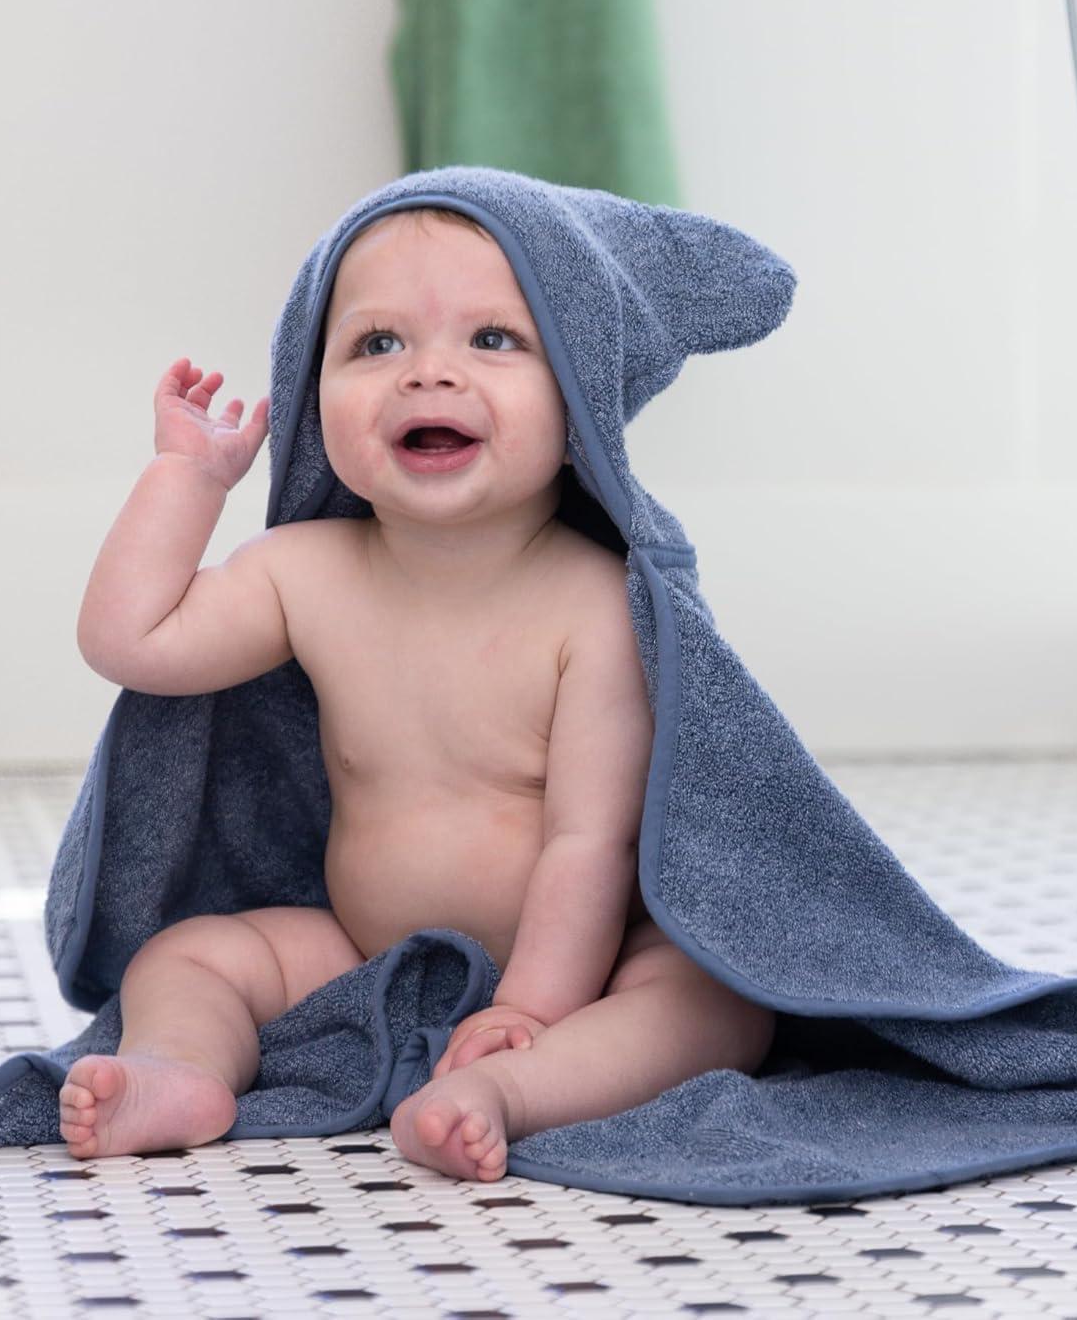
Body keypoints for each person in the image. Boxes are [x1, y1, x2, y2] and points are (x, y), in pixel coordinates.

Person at [57, 204, 776, 1180]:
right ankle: (179, 1070)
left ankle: (510, 1089)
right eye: (378, 342)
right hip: (365, 947)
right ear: (312, 394)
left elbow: (588, 841)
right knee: (185, 957)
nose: (428, 373)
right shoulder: (303, 572)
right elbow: (131, 641)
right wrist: (187, 477)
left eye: (493, 339)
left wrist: (532, 1009)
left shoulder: (598, 609)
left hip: (586, 964)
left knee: (712, 999)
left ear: (578, 391)